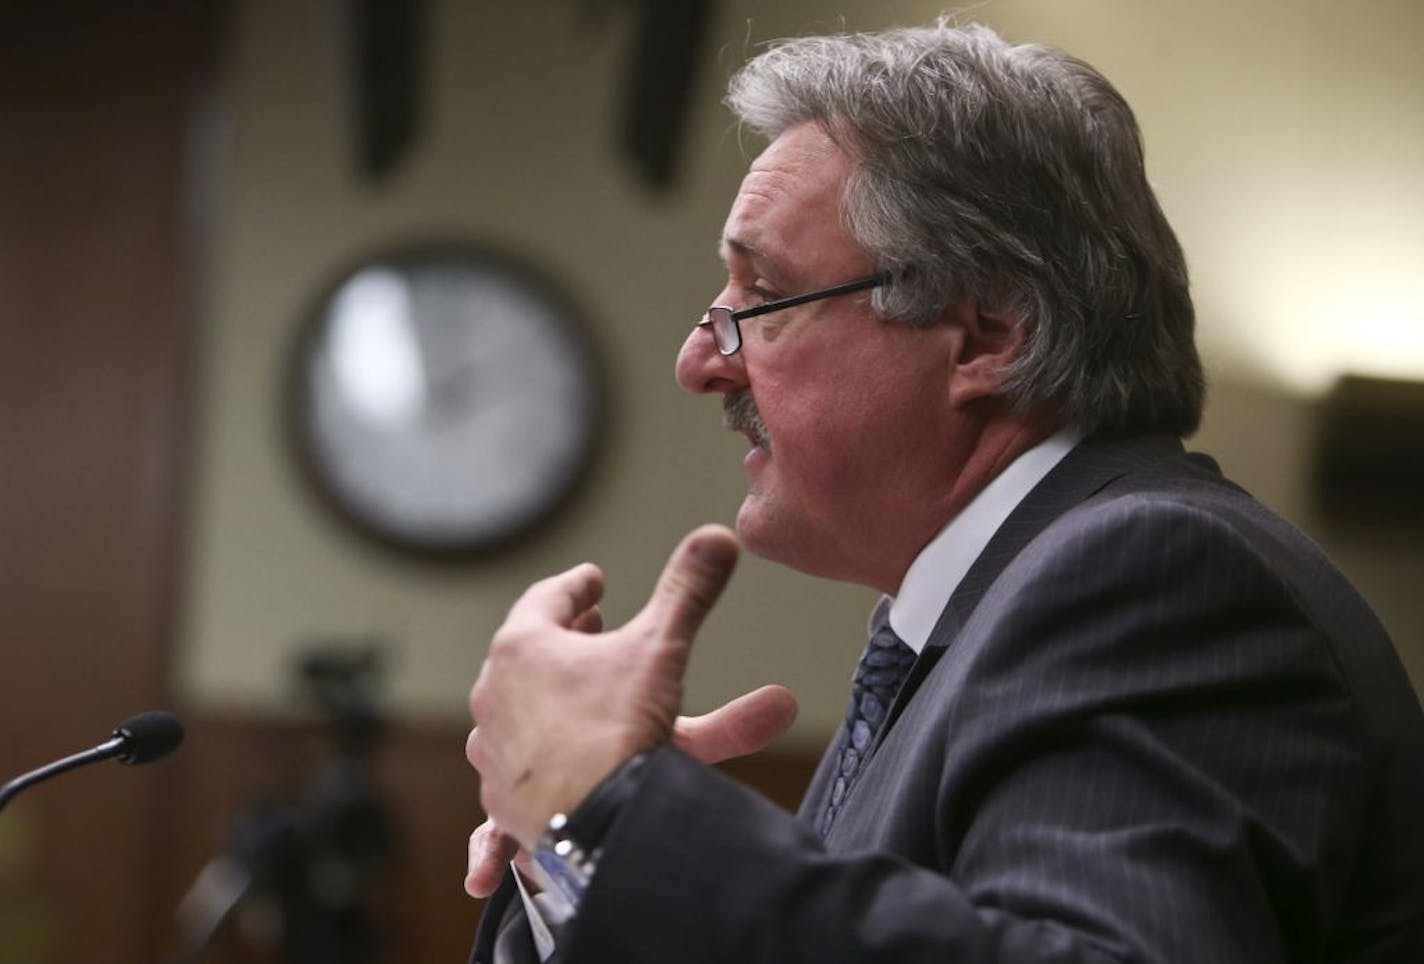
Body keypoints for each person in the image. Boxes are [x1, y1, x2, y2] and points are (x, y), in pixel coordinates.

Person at [463, 20, 1424, 963]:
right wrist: (573, 850)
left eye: (760, 297)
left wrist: (617, 813)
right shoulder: (968, 622)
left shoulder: (1152, 577)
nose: (697, 362)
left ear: (986, 337)